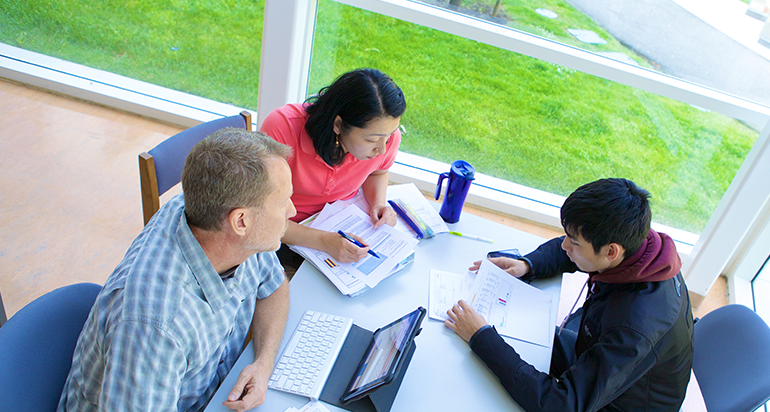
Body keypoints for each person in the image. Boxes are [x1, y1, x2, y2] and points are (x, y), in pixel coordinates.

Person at [58, 128, 296, 412]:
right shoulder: (156, 326)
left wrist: (263, 363)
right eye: (283, 203)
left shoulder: (221, 221)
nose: (292, 211)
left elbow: (274, 286)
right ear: (240, 221)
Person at [445, 178, 693, 412]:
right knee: (518, 340)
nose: (565, 246)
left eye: (573, 242)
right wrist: (528, 265)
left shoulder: (634, 328)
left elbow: (563, 404)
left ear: (611, 252)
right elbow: (580, 251)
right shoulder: (641, 247)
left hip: (615, 403)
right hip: (596, 354)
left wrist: (480, 337)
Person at [259, 68, 406, 271]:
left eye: (388, 136)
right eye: (371, 139)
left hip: (339, 226)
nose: (382, 148)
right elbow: (260, 217)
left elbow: (378, 171)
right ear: (338, 124)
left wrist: (377, 204)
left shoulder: (384, 140)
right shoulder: (282, 129)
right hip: (283, 236)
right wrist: (325, 241)